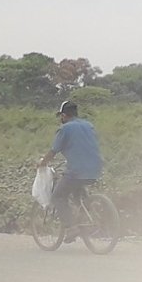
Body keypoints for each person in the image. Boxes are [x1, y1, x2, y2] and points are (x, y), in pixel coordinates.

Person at [37, 100, 103, 241]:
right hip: (95, 168)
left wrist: (42, 163)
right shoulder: (89, 125)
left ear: (64, 115)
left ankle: (72, 228)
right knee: (77, 193)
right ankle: (86, 217)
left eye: (61, 116)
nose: (61, 119)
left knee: (58, 196)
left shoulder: (66, 128)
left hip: (77, 170)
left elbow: (53, 151)